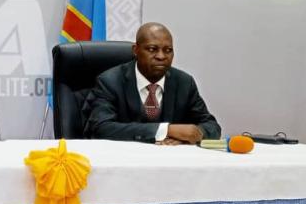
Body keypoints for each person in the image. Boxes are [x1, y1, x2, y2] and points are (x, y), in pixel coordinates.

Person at [83, 22, 221, 144]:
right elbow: (100, 129)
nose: (161, 56)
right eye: (152, 49)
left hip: (171, 163)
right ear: (135, 50)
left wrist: (190, 136)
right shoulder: (110, 81)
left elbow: (212, 127)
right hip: (125, 161)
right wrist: (166, 131)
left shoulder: (184, 82)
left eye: (168, 50)